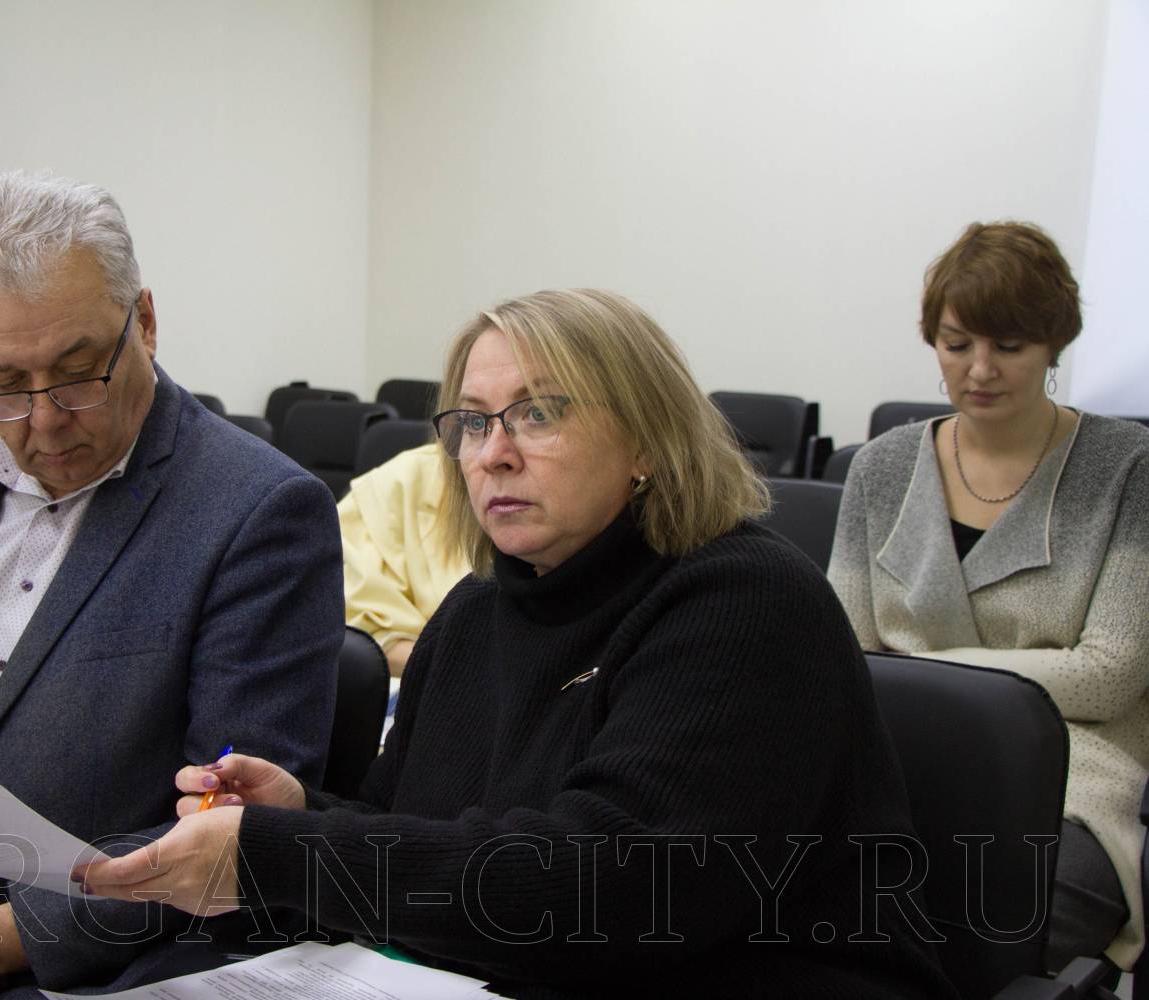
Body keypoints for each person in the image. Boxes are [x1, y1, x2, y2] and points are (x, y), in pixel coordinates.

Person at [76, 289, 958, 998]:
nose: (492, 453)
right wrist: (301, 815)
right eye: (472, 421)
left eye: (537, 414)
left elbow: (613, 890)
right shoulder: (475, 613)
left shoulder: (743, 602)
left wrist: (277, 853)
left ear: (647, 440)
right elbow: (414, 834)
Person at [0, 170, 344, 997]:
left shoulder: (258, 513)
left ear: (145, 323)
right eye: (2, 383)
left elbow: (227, 838)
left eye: (77, 375)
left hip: (40, 963)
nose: (42, 420)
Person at [828, 220, 1149, 971]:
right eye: (956, 343)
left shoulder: (1129, 468)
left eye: (1009, 345)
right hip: (897, 758)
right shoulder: (881, 467)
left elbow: (1109, 675)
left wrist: (921, 673)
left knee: (980, 940)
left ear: (1054, 344)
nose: (979, 370)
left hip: (1073, 774)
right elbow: (844, 653)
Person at [338, 442, 468, 676]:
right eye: (476, 424)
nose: (493, 455)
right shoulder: (400, 480)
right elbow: (354, 631)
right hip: (409, 680)